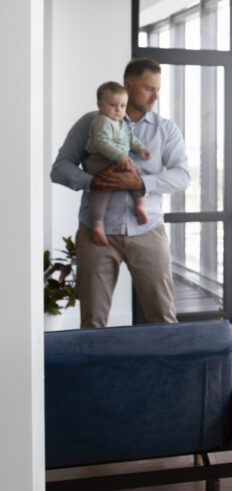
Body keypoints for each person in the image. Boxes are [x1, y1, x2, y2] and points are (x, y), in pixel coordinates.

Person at [51, 58, 190, 328]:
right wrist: (93, 182)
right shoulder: (91, 123)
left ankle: (165, 371)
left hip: (148, 230)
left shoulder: (166, 129)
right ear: (129, 85)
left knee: (163, 319)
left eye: (158, 89)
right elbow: (59, 169)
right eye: (149, 88)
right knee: (92, 322)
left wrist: (139, 183)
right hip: (96, 233)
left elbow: (182, 176)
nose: (156, 96)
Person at [84, 81, 152, 246]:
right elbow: (102, 143)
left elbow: (130, 139)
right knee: (103, 185)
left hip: (116, 160)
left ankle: (141, 203)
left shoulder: (121, 123)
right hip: (99, 159)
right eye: (113, 105)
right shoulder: (102, 121)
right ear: (100, 105)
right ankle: (98, 223)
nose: (118, 110)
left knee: (135, 174)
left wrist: (140, 148)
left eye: (122, 106)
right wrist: (120, 156)